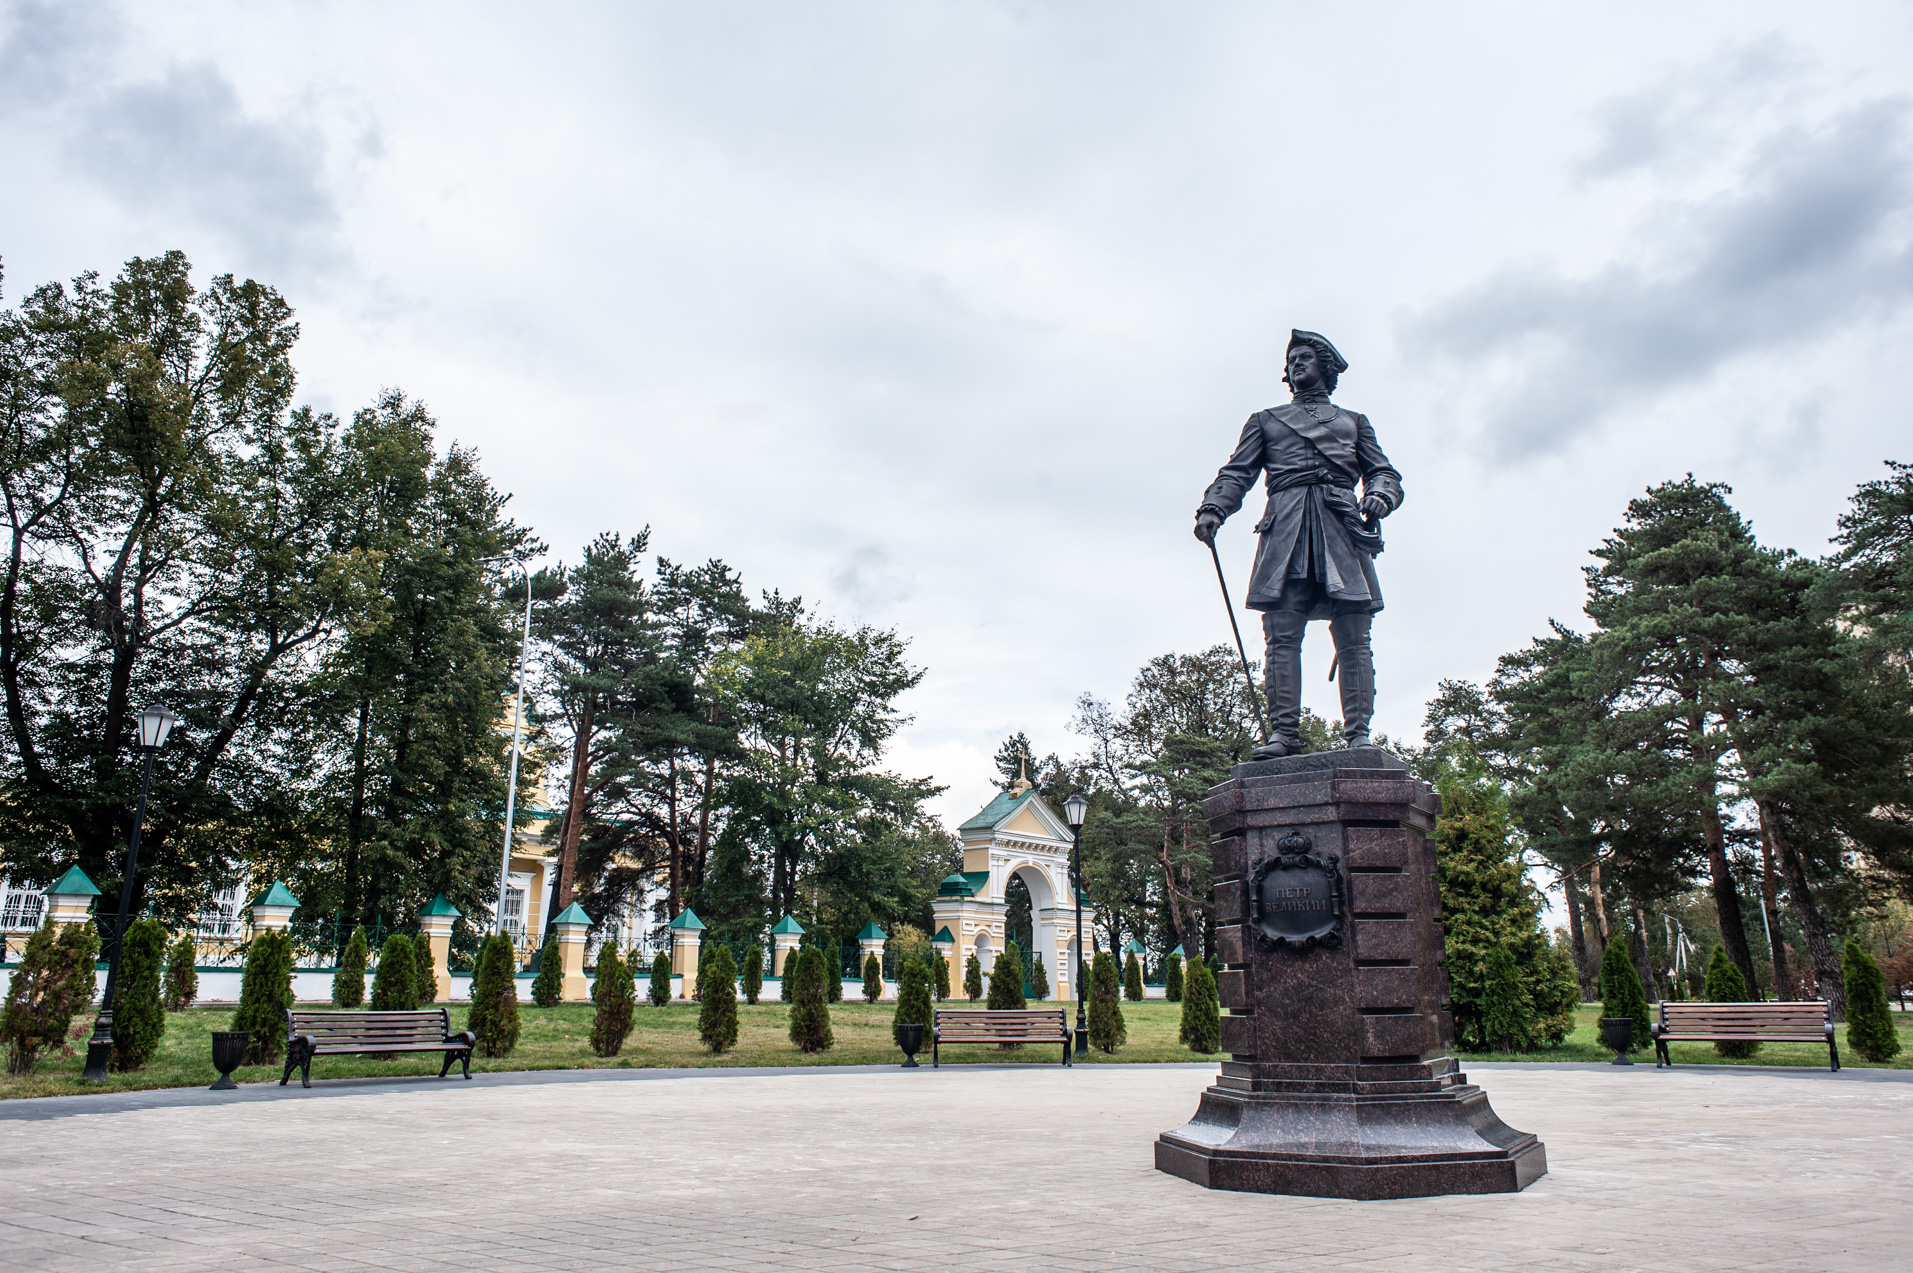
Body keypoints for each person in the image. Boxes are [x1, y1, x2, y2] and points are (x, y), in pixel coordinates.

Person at [1194, 330, 1403, 758]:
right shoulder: (1265, 420)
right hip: (1286, 525)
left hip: (1340, 527)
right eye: (1292, 360)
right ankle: (1284, 735)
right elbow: (1237, 473)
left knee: (1354, 633)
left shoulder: (1354, 422)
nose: (1296, 365)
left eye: (1305, 357)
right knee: (1281, 634)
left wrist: (1380, 495)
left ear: (1325, 367)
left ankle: (1358, 735)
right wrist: (1214, 506)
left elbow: (1385, 473)